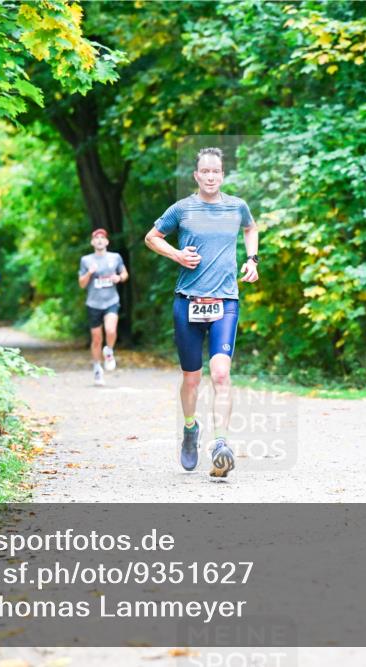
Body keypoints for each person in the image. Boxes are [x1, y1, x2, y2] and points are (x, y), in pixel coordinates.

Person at [144, 147, 259, 478]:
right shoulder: (182, 209)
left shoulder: (237, 206)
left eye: (215, 171)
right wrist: (177, 255)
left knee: (221, 373)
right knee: (192, 378)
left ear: (222, 174)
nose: (210, 176)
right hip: (187, 302)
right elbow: (152, 238)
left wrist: (252, 260)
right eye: (204, 171)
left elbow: (251, 228)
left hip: (226, 302)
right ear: (196, 175)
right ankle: (190, 429)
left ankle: (221, 444)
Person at [78, 229, 128, 386]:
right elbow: (82, 284)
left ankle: (109, 351)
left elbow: (125, 274)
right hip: (93, 303)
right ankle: (97, 369)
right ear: (92, 242)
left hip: (111, 301)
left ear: (107, 242)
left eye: (102, 238)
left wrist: (119, 278)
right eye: (96, 238)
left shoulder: (115, 257)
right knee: (96, 339)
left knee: (111, 331)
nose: (99, 240)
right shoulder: (86, 260)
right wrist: (89, 273)